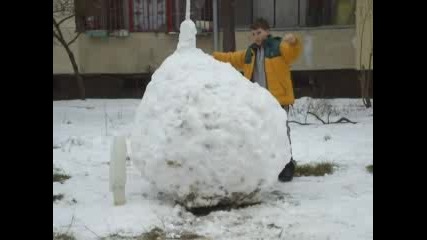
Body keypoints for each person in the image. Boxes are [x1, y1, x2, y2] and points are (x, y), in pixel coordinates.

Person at [212, 18, 302, 182]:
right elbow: (232, 58)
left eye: (259, 32)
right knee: (262, 133)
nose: (256, 36)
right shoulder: (250, 53)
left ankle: (287, 165)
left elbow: (292, 52)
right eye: (253, 34)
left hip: (277, 100)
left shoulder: (278, 46)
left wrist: (294, 41)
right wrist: (213, 56)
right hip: (258, 102)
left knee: (281, 132)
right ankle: (268, 165)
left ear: (267, 32)